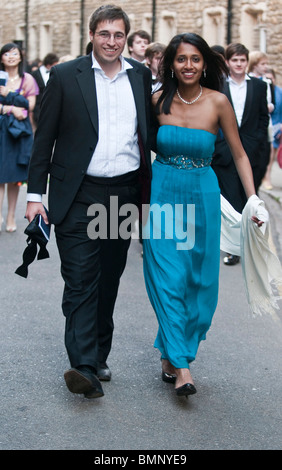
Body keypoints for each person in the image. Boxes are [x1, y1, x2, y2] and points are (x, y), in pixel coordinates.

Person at [25, 4, 152, 399]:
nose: (111, 41)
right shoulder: (65, 76)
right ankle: (81, 366)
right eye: (104, 34)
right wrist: (34, 196)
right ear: (92, 35)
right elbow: (44, 138)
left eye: (118, 35)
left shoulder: (141, 76)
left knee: (109, 277)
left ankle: (97, 354)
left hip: (123, 194)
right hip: (78, 193)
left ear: (125, 39)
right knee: (80, 278)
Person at [142, 33, 265, 398]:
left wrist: (253, 201)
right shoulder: (156, 101)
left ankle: (170, 350)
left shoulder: (218, 103)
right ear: (171, 64)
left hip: (203, 198)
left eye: (195, 59)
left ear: (205, 63)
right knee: (168, 278)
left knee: (199, 284)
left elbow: (241, 155)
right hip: (164, 198)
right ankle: (182, 367)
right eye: (181, 59)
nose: (189, 66)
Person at [212, 43, 269, 265]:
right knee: (230, 199)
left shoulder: (258, 86)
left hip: (251, 151)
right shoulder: (219, 85)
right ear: (227, 62)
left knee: (249, 198)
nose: (238, 64)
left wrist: (255, 140)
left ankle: (249, 244)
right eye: (234, 60)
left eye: (242, 60)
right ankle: (232, 247)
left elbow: (263, 116)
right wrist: (219, 143)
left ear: (247, 62)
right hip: (224, 152)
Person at [0, 42, 39, 233]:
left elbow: (31, 106)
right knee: (0, 175)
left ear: (21, 57)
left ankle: (10, 216)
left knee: (14, 177)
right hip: (1, 130)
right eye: (7, 53)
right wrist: (10, 108)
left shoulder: (28, 79)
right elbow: (20, 107)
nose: (11, 57)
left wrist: (9, 95)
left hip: (19, 133)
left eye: (14, 53)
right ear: (1, 58)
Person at [248, 51, 275, 184]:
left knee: (263, 157)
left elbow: (272, 102)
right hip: (250, 126)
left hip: (264, 125)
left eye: (266, 64)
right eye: (262, 64)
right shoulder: (248, 81)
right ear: (254, 64)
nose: (265, 67)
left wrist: (269, 106)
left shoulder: (267, 82)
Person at [262, 68, 282, 189]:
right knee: (267, 154)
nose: (269, 80)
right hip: (266, 126)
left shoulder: (279, 92)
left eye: (271, 78)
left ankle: (267, 176)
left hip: (277, 127)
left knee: (273, 154)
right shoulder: (261, 90)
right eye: (267, 78)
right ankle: (266, 177)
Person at [31, 52, 59, 129]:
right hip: (38, 108)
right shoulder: (34, 74)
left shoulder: (57, 73)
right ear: (49, 65)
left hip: (52, 108)